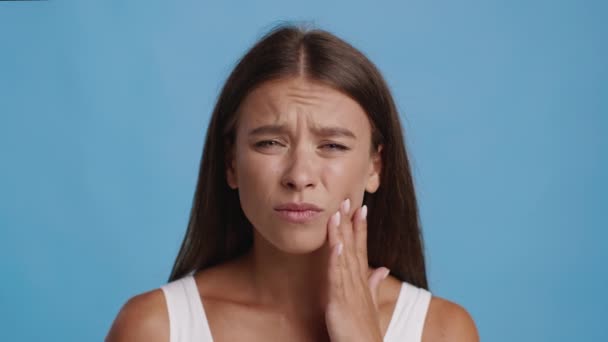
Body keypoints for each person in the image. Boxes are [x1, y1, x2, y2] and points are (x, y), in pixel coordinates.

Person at [106, 24, 479, 342]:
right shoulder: (154, 328)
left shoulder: (440, 330)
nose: (299, 177)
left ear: (375, 166)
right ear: (231, 163)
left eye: (332, 145)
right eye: (270, 143)